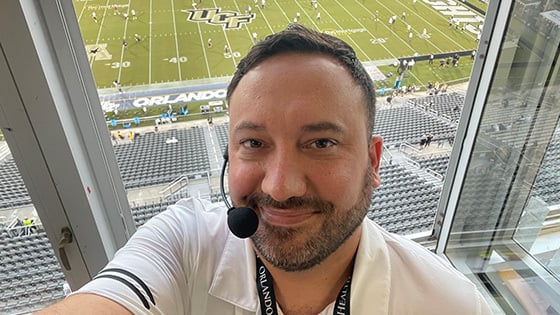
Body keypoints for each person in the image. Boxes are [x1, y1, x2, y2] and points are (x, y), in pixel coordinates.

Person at [37, 24, 490, 315]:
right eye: (253, 143)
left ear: (373, 162)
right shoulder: (183, 244)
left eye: (321, 143)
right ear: (228, 157)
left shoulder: (450, 304)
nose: (280, 185)